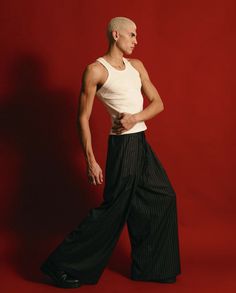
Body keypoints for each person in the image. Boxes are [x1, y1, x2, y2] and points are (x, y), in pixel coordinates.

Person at [40, 16, 181, 289]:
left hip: (140, 142)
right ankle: (61, 266)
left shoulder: (137, 66)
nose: (136, 41)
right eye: (132, 35)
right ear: (116, 35)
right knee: (113, 210)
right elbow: (83, 117)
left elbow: (159, 103)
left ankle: (152, 268)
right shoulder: (96, 70)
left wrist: (134, 118)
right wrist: (91, 160)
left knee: (163, 197)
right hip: (123, 147)